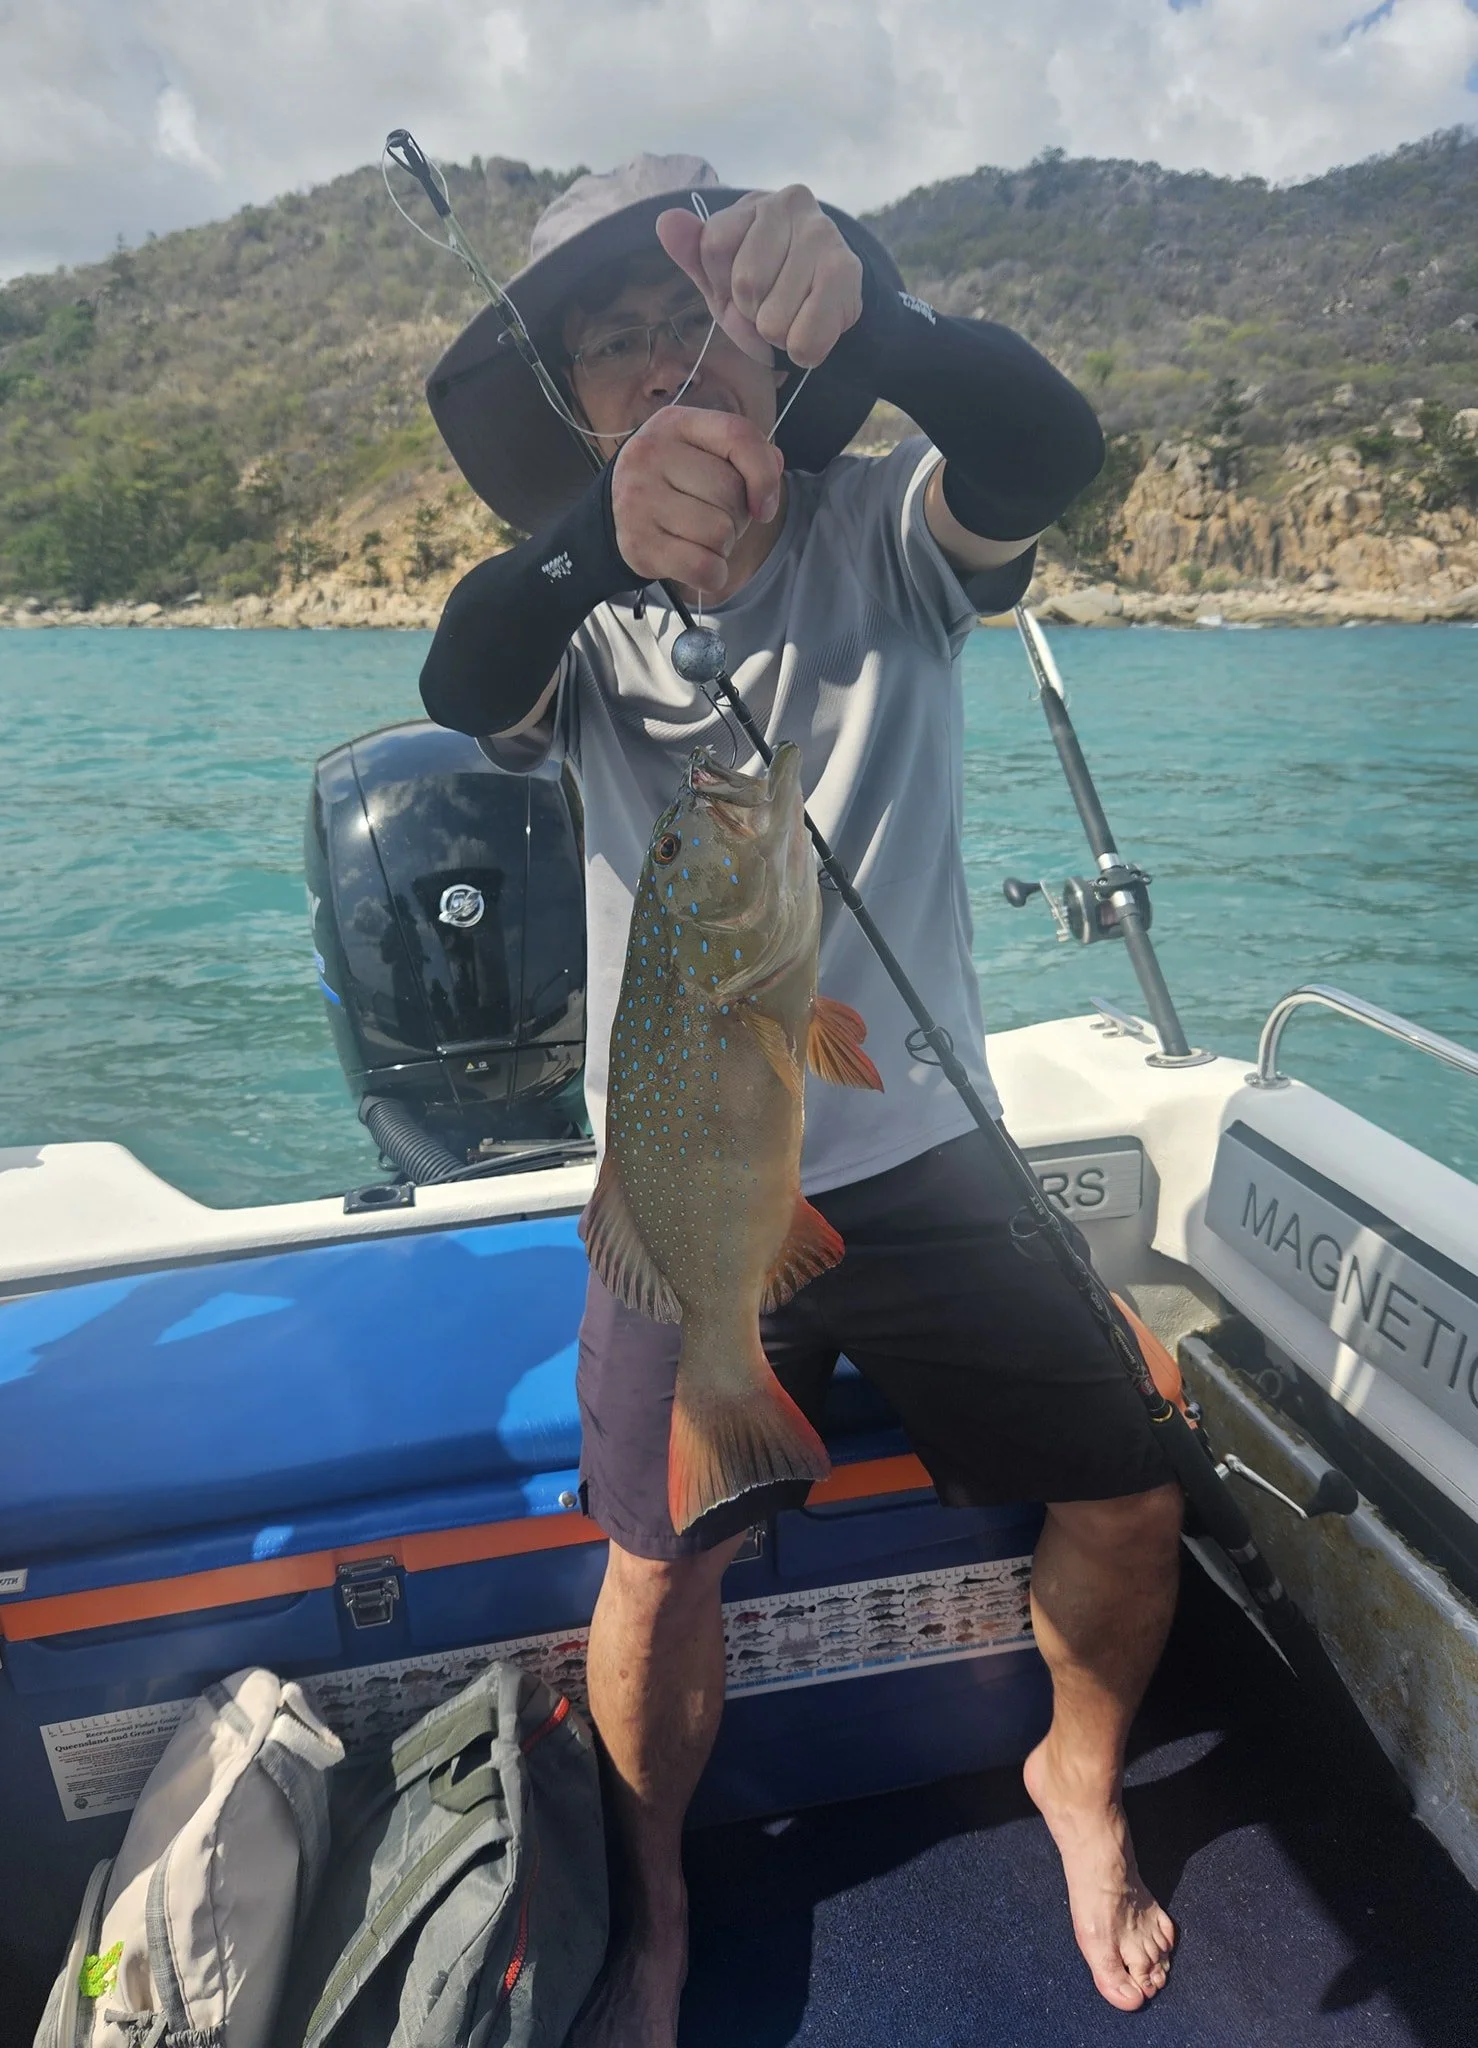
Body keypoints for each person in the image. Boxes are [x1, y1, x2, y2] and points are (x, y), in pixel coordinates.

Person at [418, 154, 1183, 2045]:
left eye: (701, 314)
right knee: (657, 1568)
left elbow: (1045, 447)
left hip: (916, 1150)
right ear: (574, 403)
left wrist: (892, 325)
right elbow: (463, 674)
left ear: (774, 330)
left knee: (1133, 1491)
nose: (668, 361)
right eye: (618, 341)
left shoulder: (883, 529)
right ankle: (658, 1898)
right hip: (682, 1166)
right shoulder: (573, 619)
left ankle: (1073, 1782)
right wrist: (600, 541)